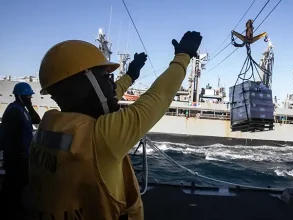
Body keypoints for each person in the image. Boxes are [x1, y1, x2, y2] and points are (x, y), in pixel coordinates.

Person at [25, 31, 202, 220]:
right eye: (106, 77)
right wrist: (183, 56)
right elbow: (159, 96)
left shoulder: (48, 128)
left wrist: (131, 75)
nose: (112, 83)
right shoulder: (101, 136)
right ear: (84, 85)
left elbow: (103, 95)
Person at [0, 82, 41, 220]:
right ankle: (11, 212)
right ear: (19, 96)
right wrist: (22, 154)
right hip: (16, 157)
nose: (30, 98)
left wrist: (29, 106)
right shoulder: (14, 111)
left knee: (18, 185)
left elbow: (37, 120)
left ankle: (14, 210)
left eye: (30, 96)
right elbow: (12, 136)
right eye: (27, 96)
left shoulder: (22, 109)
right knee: (14, 186)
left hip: (21, 156)